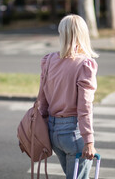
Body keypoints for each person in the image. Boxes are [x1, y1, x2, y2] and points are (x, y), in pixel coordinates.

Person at [39, 14, 99, 179]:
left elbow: (42, 97)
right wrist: (89, 141)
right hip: (73, 133)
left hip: (53, 133)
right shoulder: (85, 64)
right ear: (83, 34)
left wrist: (41, 126)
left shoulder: (49, 60)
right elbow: (85, 106)